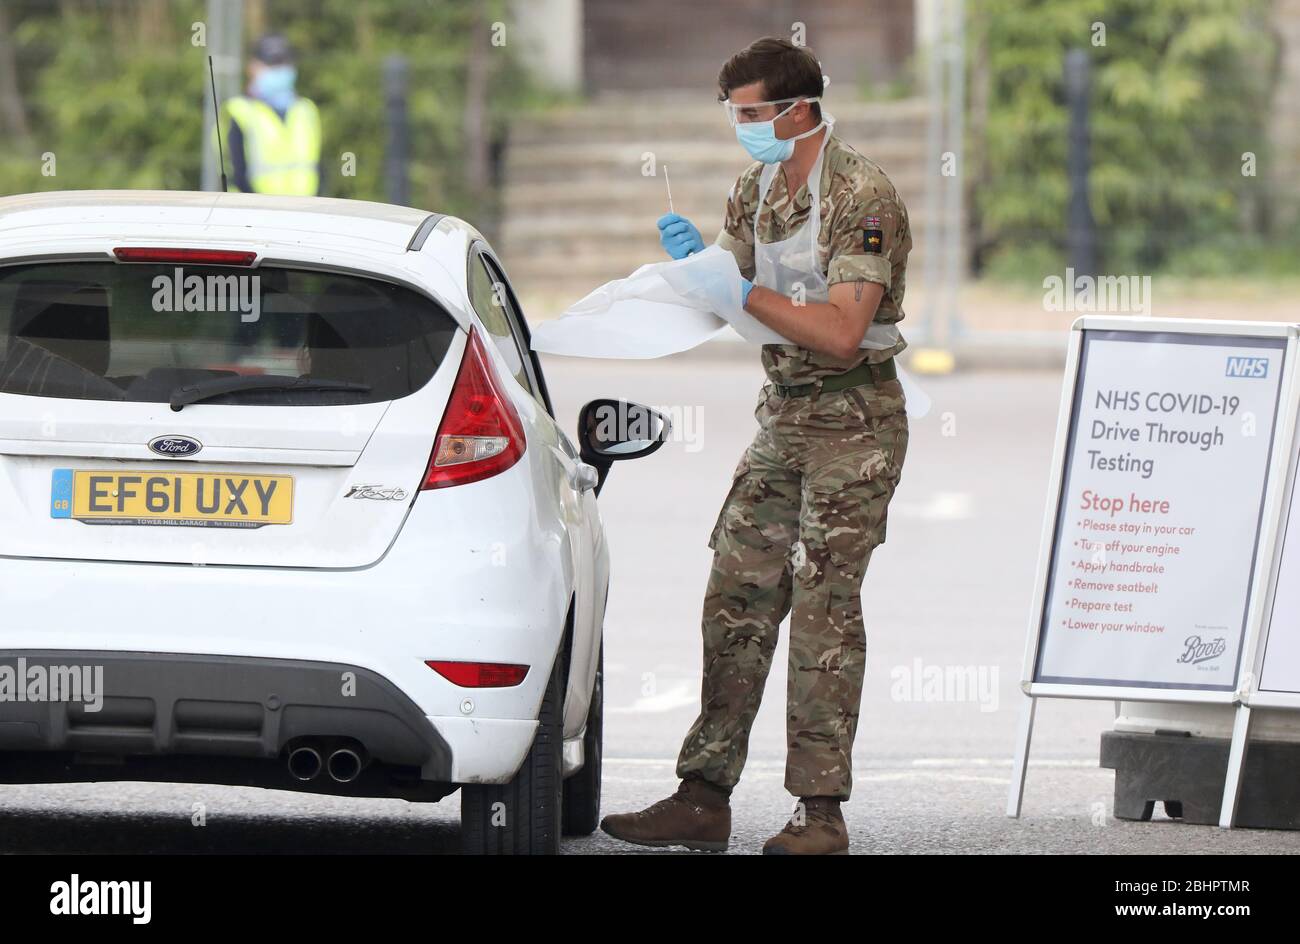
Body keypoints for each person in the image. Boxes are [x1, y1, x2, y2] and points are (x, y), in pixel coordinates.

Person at [599, 37, 912, 855]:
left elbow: (844, 332)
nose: (741, 128)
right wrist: (695, 273)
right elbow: (740, 300)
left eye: (749, 114)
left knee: (822, 612)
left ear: (797, 109)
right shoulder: (756, 188)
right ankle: (703, 796)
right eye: (735, 114)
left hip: (853, 423)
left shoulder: (862, 196)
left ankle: (820, 813)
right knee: (735, 598)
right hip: (784, 415)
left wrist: (740, 288)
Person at [222, 33, 323, 196]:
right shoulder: (240, 110)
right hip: (254, 213)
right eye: (272, 64)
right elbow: (236, 172)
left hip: (304, 212)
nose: (279, 69)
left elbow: (318, 168)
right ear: (252, 67)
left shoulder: (306, 109)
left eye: (283, 63)